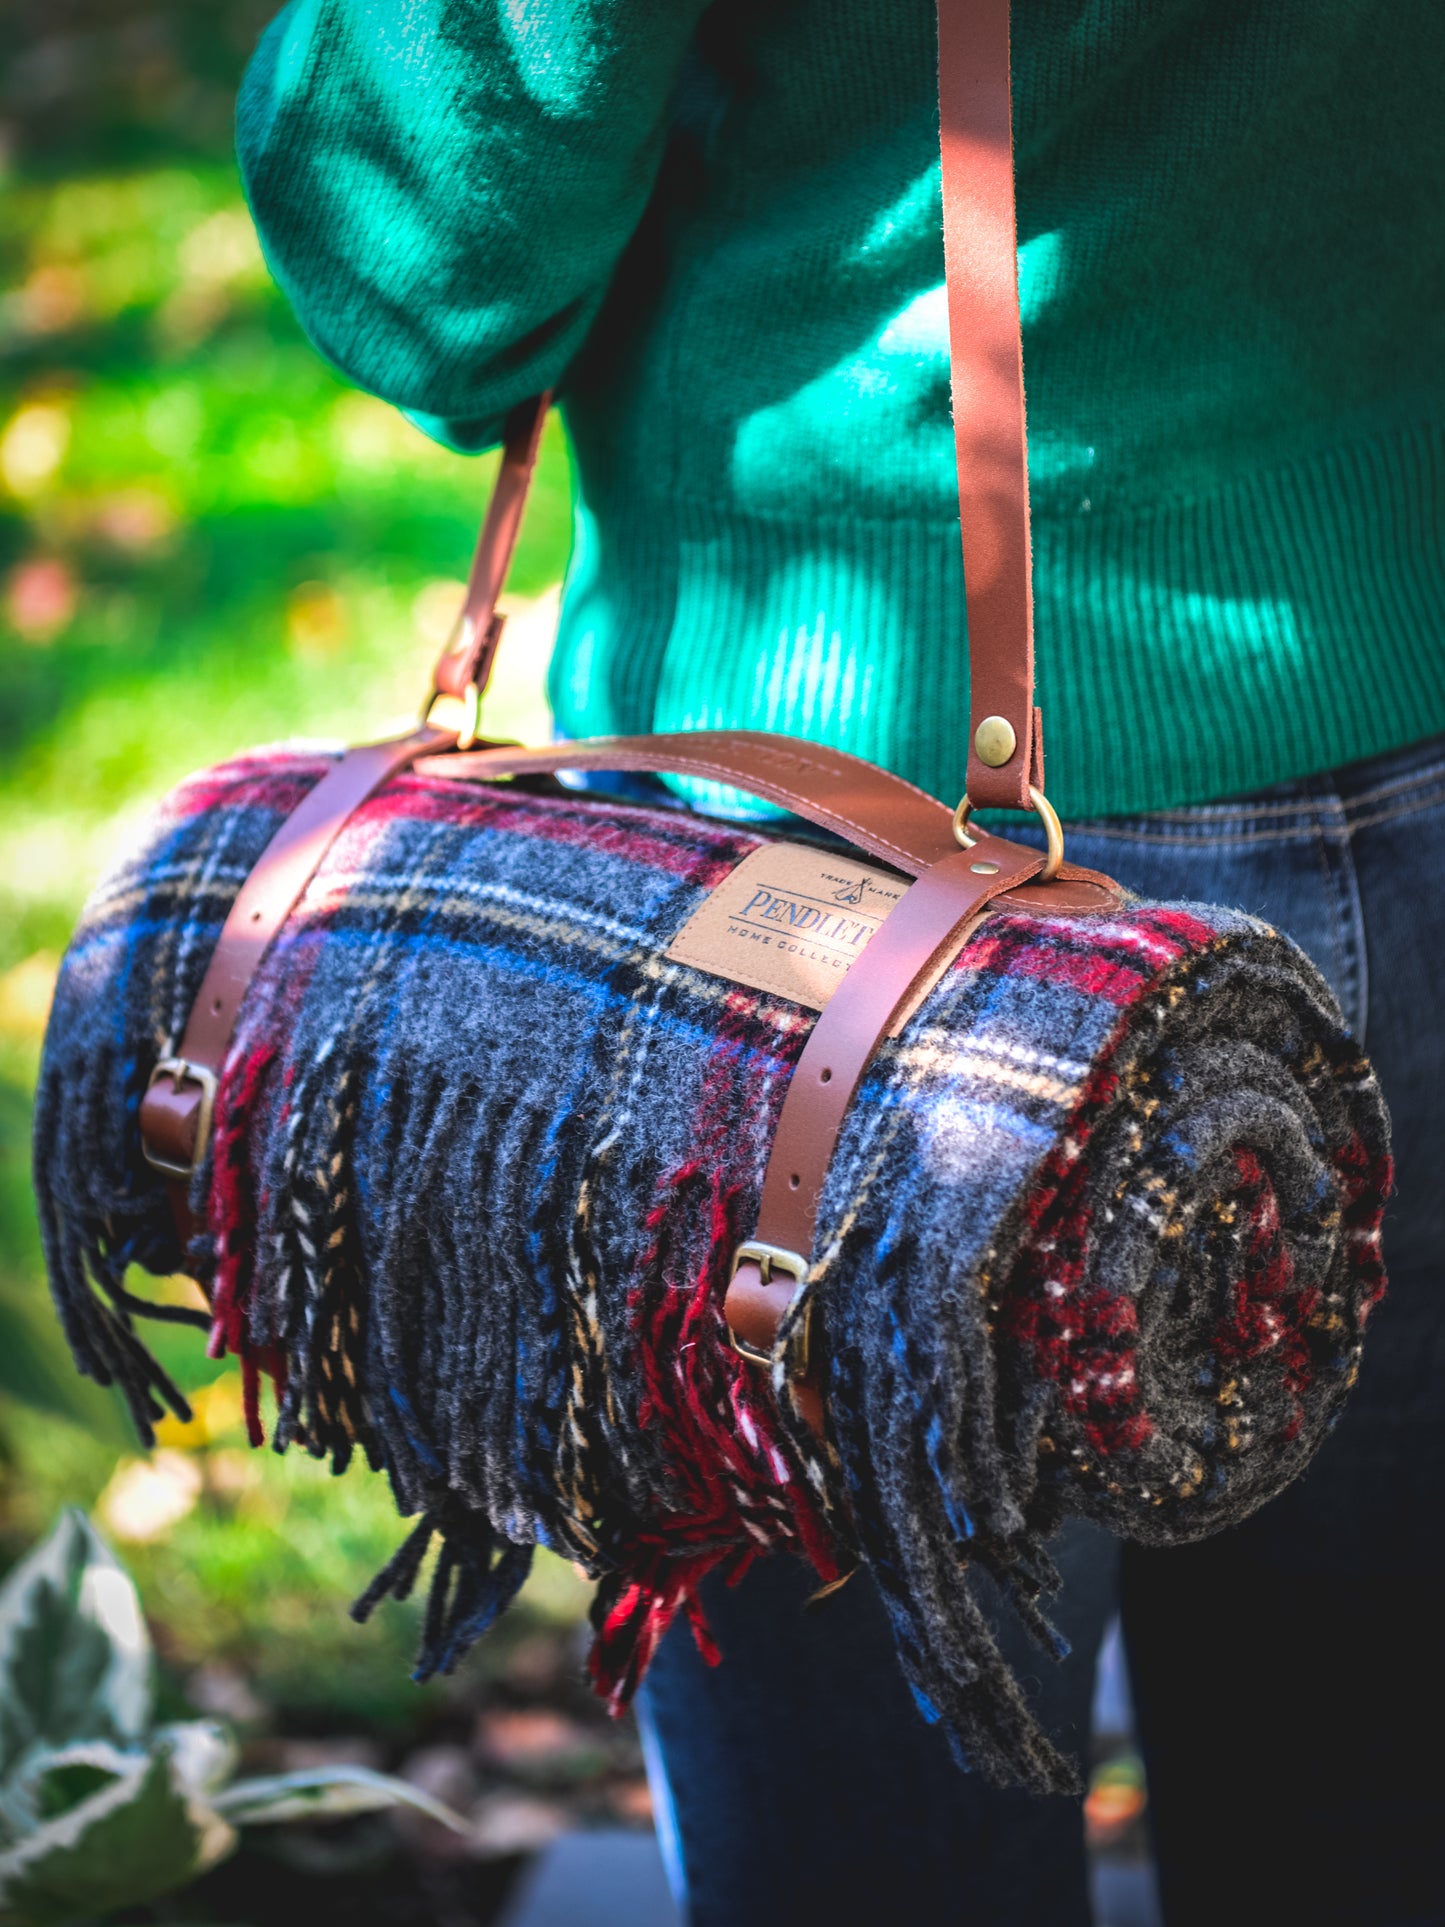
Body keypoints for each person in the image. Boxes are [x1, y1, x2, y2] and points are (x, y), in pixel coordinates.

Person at [236, 4, 1445, 1921]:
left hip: (829, 913)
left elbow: (418, 255)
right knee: (1373, 1823)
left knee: (869, 1867)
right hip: (1403, 691)